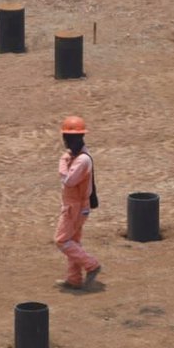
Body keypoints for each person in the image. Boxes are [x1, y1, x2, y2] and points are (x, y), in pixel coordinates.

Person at [54, 116, 102, 289]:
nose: (67, 141)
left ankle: (92, 265)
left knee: (62, 240)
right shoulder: (80, 156)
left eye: (70, 138)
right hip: (77, 206)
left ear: (80, 138)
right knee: (73, 240)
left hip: (74, 207)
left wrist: (62, 161)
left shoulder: (81, 160)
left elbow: (68, 180)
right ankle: (74, 279)